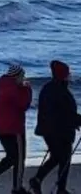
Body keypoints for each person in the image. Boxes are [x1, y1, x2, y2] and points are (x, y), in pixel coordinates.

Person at [33, 60, 78, 194]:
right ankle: (58, 188)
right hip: (59, 131)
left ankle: (40, 180)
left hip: (48, 130)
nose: (69, 75)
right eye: (67, 73)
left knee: (58, 157)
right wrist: (78, 120)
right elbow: (65, 114)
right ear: (63, 75)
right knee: (63, 158)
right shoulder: (60, 91)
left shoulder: (49, 87)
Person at [0, 64, 33, 194]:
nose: (23, 78)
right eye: (22, 76)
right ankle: (16, 187)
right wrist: (28, 89)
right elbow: (23, 104)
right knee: (18, 158)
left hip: (1, 127)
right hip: (14, 127)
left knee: (12, 156)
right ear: (17, 76)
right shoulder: (13, 89)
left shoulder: (3, 86)